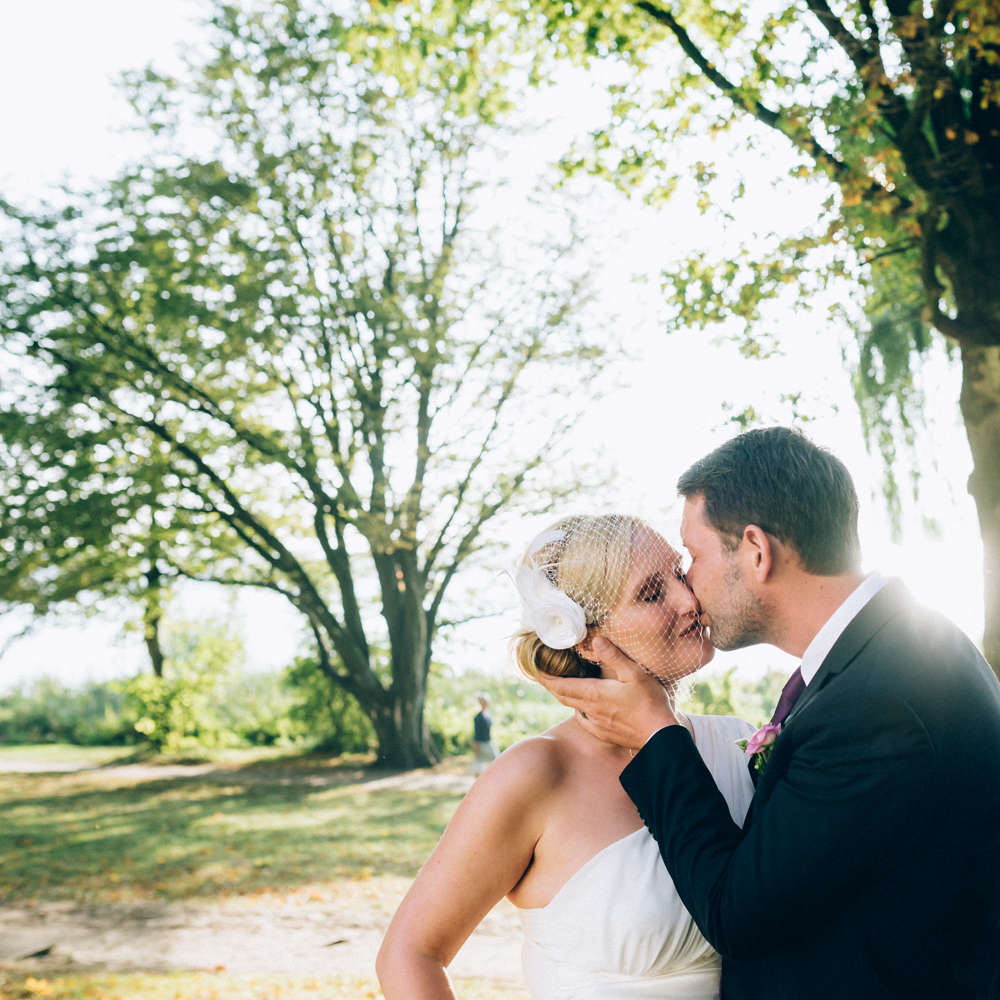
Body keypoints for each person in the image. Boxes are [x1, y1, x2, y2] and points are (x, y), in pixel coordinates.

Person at [539, 427, 1000, 1000]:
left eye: (694, 558)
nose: (691, 591)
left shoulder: (880, 700)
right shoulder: (890, 656)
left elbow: (738, 915)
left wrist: (657, 733)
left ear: (756, 552)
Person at [377, 514, 755, 999]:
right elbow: (409, 955)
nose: (689, 600)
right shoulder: (537, 773)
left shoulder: (741, 745)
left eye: (680, 574)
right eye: (651, 593)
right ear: (586, 638)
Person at [470, 693, 497, 773]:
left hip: (488, 741)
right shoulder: (478, 717)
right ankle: (478, 781)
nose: (485, 703)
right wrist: (475, 745)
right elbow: (476, 733)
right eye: (483, 701)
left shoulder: (488, 714)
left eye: (486, 701)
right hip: (481, 743)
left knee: (495, 759)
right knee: (479, 763)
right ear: (480, 703)